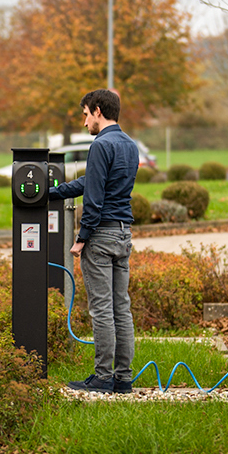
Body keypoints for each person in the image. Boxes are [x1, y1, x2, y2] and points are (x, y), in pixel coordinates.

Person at [47, 89, 138, 394]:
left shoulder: (101, 144)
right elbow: (93, 182)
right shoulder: (129, 145)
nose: (84, 122)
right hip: (124, 233)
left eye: (85, 114)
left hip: (100, 237)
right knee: (120, 308)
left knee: (101, 308)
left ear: (98, 111)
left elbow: (95, 197)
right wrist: (55, 191)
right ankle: (123, 379)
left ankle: (102, 377)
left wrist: (81, 238)